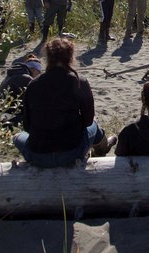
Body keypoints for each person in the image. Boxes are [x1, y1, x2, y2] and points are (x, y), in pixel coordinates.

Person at [13, 38, 116, 167]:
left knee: (17, 137)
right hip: (71, 152)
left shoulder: (33, 84)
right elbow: (88, 121)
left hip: (38, 154)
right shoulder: (79, 82)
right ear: (70, 57)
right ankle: (102, 147)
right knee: (94, 124)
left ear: (48, 58)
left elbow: (27, 126)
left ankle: (102, 146)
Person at [0, 54, 43, 124]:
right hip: (11, 116)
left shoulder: (11, 75)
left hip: (1, 113)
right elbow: (34, 100)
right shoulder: (26, 78)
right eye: (39, 71)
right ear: (33, 69)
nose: (39, 74)